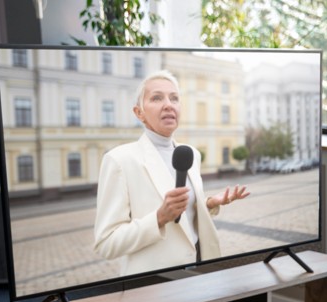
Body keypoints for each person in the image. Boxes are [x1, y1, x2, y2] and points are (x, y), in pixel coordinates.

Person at [93, 69, 249, 276]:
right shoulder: (119, 160)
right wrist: (159, 218)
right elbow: (106, 243)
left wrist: (209, 203)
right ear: (139, 113)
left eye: (174, 98)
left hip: (201, 268)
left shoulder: (190, 154)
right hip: (155, 283)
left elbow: (185, 218)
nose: (168, 104)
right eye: (157, 98)